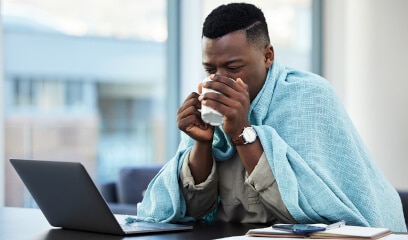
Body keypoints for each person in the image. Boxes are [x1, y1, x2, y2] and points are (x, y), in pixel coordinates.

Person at [135, 3, 406, 232]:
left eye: (233, 67)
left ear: (268, 56)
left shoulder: (309, 95)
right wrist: (202, 143)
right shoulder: (211, 109)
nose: (219, 80)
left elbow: (308, 215)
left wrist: (242, 131)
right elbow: (195, 211)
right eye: (210, 70)